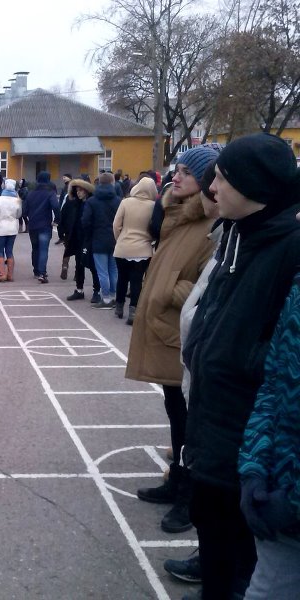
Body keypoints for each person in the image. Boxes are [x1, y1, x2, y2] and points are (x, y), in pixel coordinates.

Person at [182, 133, 300, 598]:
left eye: (223, 179)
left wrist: (237, 361)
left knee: (241, 564)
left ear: (253, 187)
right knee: (213, 538)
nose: (213, 189)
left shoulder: (287, 249)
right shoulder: (238, 235)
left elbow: (283, 354)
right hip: (212, 421)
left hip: (247, 433)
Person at [126, 145, 218, 537]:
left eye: (187, 172)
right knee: (174, 411)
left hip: (180, 331)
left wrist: (170, 291)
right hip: (167, 329)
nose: (176, 177)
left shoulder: (211, 223)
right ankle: (176, 480)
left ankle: (188, 496)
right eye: (176, 169)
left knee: (190, 419)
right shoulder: (176, 216)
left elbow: (207, 285)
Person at [238, 272, 300, 600]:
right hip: (280, 496)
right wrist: (254, 467)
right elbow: (273, 385)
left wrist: (294, 501)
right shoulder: (298, 292)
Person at [112, 176, 157, 323]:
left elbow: (116, 225)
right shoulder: (153, 206)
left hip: (123, 247)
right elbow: (155, 227)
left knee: (122, 279)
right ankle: (133, 311)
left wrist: (120, 239)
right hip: (143, 249)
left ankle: (119, 307)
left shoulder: (125, 202)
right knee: (137, 281)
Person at [81, 172, 121, 309]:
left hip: (98, 239)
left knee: (102, 271)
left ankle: (106, 299)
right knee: (113, 270)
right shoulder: (118, 200)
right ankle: (114, 296)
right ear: (112, 183)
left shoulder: (92, 201)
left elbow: (85, 221)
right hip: (115, 240)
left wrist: (90, 234)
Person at [64, 180, 102, 303]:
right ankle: (79, 289)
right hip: (78, 238)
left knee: (92, 266)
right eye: (77, 191)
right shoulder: (76, 204)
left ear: (86, 191)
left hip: (90, 238)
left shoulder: (92, 203)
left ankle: (97, 291)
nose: (78, 193)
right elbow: (67, 216)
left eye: (80, 190)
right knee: (79, 265)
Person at [22, 172, 60, 283]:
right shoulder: (50, 193)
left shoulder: (30, 193)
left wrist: (29, 217)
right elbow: (56, 206)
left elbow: (24, 210)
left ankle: (36, 270)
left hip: (33, 225)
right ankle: (42, 273)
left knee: (35, 248)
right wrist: (57, 219)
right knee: (43, 249)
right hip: (45, 225)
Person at [0, 179, 22, 282]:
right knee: (9, 251)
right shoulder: (17, 199)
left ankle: (2, 274)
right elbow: (19, 215)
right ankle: (10, 275)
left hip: (1, 227)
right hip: (12, 228)